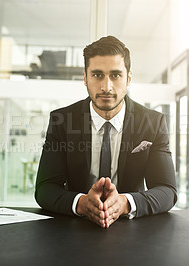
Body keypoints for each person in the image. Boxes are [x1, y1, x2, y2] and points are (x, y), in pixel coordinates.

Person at [35, 36, 177, 228]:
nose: (106, 87)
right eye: (97, 75)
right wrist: (81, 203)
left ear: (128, 79)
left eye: (116, 75)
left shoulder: (153, 123)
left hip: (133, 229)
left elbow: (167, 190)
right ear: (85, 78)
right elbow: (45, 188)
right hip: (74, 228)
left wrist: (125, 203)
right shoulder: (62, 121)